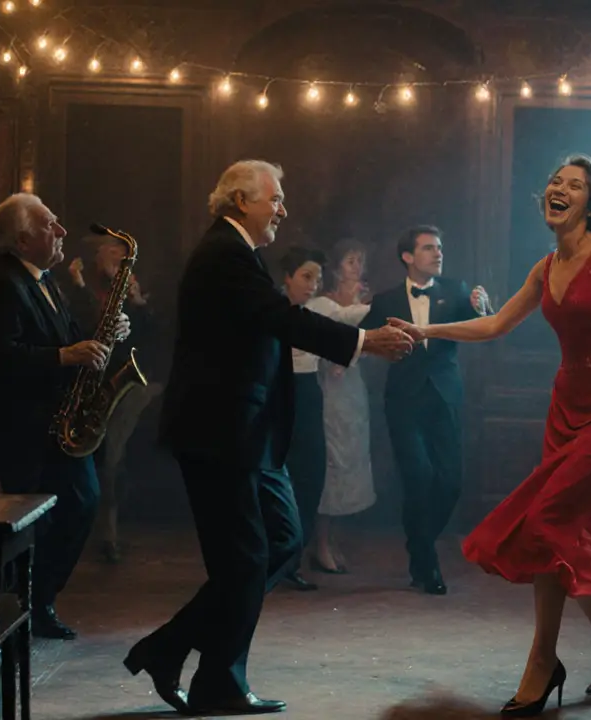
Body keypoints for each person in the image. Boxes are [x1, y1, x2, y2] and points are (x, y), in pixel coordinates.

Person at [387, 155, 591, 716]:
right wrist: (424, 329)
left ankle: (542, 661)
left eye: (574, 185)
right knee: (566, 535)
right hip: (566, 408)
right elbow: (496, 323)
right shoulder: (545, 266)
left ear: (590, 202)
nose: (560, 189)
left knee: (550, 521)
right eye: (555, 182)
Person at [123, 160, 414, 715]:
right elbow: (283, 320)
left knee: (281, 541)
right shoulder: (224, 255)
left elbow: (272, 324)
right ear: (239, 200)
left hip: (245, 433)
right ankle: (213, 679)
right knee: (247, 559)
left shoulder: (237, 253)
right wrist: (363, 342)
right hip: (219, 434)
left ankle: (169, 650)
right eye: (274, 199)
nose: (282, 208)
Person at [0, 192, 130, 640]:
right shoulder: (3, 283)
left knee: (75, 508)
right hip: (29, 428)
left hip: (55, 422)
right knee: (56, 515)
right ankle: (30, 605)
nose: (60, 232)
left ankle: (35, 603)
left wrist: (104, 330)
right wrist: (63, 355)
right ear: (21, 240)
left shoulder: (43, 279)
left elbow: (70, 339)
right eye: (48, 225)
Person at [361, 225, 492, 594]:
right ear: (407, 257)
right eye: (429, 248)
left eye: (439, 247)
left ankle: (419, 545)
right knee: (418, 477)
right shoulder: (385, 301)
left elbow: (483, 324)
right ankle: (426, 561)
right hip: (403, 401)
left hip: (445, 397)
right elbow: (362, 339)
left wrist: (484, 305)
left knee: (450, 482)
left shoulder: (456, 290)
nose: (438, 254)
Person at [62, 234, 165, 565]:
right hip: (92, 381)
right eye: (112, 251)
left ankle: (109, 529)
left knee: (114, 455)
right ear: (95, 256)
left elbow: (152, 339)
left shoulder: (130, 288)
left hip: (126, 384)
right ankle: (99, 529)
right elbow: (81, 326)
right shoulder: (81, 288)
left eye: (123, 253)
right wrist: (78, 288)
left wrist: (139, 306)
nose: (119, 258)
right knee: (100, 454)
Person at [307, 239, 377, 575]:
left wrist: (353, 356)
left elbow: (369, 341)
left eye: (360, 260)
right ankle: (319, 543)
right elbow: (318, 343)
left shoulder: (365, 301)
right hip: (328, 391)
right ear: (336, 269)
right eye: (351, 261)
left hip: (351, 392)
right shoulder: (323, 303)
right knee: (331, 463)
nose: (357, 267)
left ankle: (332, 539)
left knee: (349, 461)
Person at [278, 245, 332, 591]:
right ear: (287, 278)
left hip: (309, 392)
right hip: (277, 393)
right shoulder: (271, 311)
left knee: (311, 475)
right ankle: (272, 559)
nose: (312, 285)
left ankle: (292, 560)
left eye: (318, 279)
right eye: (306, 277)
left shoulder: (318, 312)